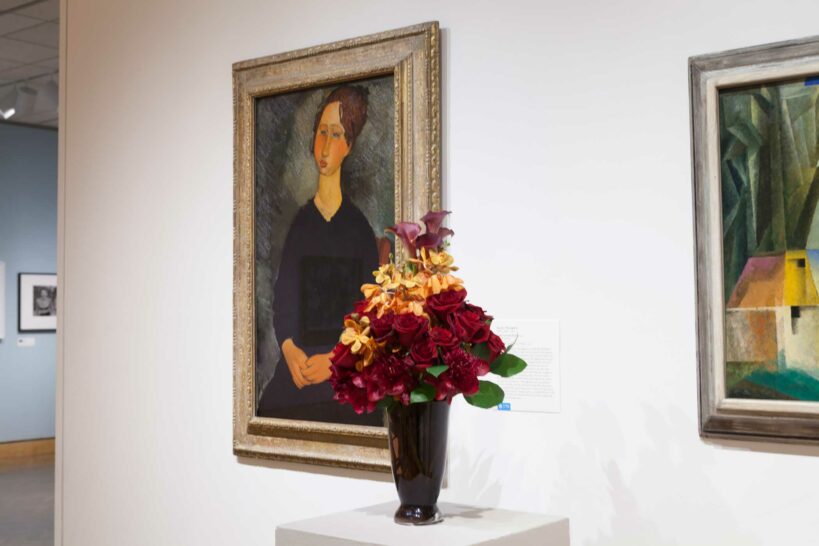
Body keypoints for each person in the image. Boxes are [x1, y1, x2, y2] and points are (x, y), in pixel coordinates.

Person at [257, 86, 383, 426]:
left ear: (349, 146)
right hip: (298, 371)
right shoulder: (301, 224)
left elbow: (370, 316)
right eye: (322, 132)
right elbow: (283, 301)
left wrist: (334, 360)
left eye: (336, 134)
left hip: (344, 373)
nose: (325, 146)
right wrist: (289, 350)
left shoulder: (358, 230)